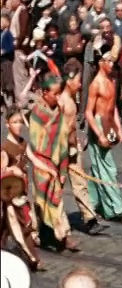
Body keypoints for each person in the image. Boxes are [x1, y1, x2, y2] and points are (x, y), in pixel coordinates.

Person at [29, 72, 80, 252]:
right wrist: (45, 163)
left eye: (59, 94)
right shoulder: (37, 113)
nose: (58, 98)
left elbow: (62, 138)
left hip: (57, 164)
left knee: (56, 201)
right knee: (41, 201)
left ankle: (63, 235)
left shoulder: (58, 111)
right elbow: (36, 142)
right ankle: (38, 234)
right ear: (44, 93)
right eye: (54, 94)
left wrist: (63, 168)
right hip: (41, 165)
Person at [85, 43, 122, 222]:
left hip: (108, 124)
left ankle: (94, 203)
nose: (112, 64)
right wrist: (99, 134)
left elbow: (112, 108)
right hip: (99, 125)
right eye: (109, 61)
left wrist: (119, 131)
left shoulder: (111, 81)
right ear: (101, 62)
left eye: (113, 61)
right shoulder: (96, 84)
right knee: (107, 168)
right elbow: (88, 113)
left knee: (98, 167)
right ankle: (116, 208)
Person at [1, 110, 56, 270]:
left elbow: (32, 159)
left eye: (20, 122)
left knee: (6, 229)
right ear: (7, 125)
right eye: (15, 122)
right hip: (10, 196)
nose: (19, 126)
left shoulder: (23, 143)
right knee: (22, 226)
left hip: (21, 191)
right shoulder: (5, 148)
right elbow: (2, 172)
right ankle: (33, 259)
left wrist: (49, 170)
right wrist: (12, 170)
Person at [58, 63, 108, 235]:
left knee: (80, 183)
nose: (80, 85)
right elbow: (64, 129)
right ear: (69, 80)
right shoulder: (64, 102)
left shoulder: (69, 100)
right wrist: (73, 145)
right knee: (59, 187)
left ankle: (90, 218)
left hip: (70, 149)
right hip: (63, 151)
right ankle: (53, 224)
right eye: (78, 81)